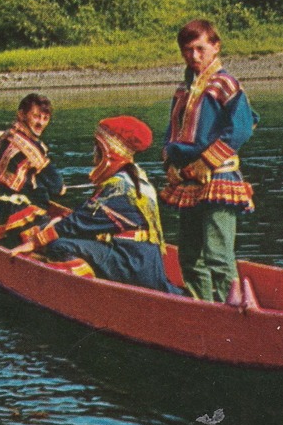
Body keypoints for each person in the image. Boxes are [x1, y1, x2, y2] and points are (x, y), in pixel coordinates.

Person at [10, 115, 185, 295]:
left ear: (109, 152)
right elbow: (88, 215)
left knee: (59, 246)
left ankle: (83, 291)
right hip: (146, 258)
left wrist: (34, 242)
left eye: (97, 149)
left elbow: (78, 222)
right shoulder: (137, 177)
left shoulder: (119, 187)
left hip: (130, 261)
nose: (94, 155)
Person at [160, 19, 257, 302]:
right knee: (189, 256)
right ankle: (202, 306)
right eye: (187, 51)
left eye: (200, 49)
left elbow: (240, 128)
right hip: (188, 179)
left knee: (217, 253)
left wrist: (207, 162)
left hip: (218, 177)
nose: (194, 56)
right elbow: (172, 132)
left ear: (216, 47)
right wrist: (170, 165)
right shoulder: (183, 89)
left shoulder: (225, 84)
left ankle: (235, 310)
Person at [0, 93, 64, 241]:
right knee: (62, 224)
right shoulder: (34, 148)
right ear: (21, 114)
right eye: (36, 116)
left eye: (45, 119)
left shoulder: (3, 138)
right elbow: (58, 188)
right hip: (12, 213)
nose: (40, 123)